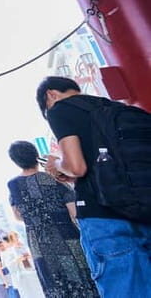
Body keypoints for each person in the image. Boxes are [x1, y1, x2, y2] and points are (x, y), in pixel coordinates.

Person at [37, 76, 151, 296]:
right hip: (144, 209)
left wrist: (57, 164)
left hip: (105, 218)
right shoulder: (114, 107)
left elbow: (77, 167)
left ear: (51, 95)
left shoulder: (59, 109)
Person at [6, 139, 96, 297]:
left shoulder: (13, 185)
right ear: (35, 155)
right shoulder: (54, 178)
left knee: (55, 286)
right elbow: (74, 212)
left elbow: (18, 215)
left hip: (40, 244)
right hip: (68, 238)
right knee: (82, 281)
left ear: (16, 162)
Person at [3, 232, 44, 298]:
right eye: (15, 238)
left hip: (33, 273)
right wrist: (18, 259)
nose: (17, 239)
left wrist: (30, 256)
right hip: (22, 275)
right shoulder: (9, 251)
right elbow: (9, 266)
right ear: (11, 240)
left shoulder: (25, 247)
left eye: (17, 237)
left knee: (39, 292)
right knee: (28, 294)